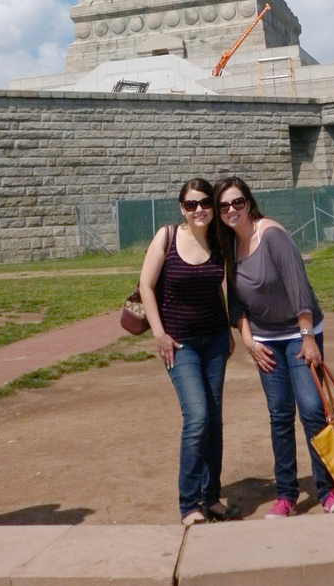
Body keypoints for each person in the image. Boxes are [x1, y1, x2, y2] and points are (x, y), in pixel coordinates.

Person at [215, 176, 334, 517]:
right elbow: (236, 303)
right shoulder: (229, 246)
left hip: (297, 333)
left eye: (238, 202)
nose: (232, 210)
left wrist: (308, 339)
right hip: (264, 340)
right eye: (224, 205)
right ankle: (287, 495)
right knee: (279, 416)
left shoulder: (271, 235)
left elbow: (298, 287)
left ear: (249, 203)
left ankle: (327, 492)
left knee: (311, 409)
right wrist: (248, 342)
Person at [139, 178, 234, 525]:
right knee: (197, 417)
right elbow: (146, 287)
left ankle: (211, 497)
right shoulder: (167, 238)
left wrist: (226, 329)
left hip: (214, 342)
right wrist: (160, 334)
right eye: (191, 204)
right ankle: (189, 503)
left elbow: (217, 291)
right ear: (182, 208)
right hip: (180, 345)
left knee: (214, 421)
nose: (199, 210)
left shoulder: (219, 243)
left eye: (205, 203)